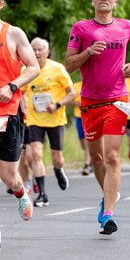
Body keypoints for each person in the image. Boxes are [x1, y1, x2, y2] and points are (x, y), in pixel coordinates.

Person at [64, 0, 130, 234]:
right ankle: (108, 196)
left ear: (114, 2)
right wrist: (88, 52)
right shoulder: (81, 28)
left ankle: (109, 213)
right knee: (97, 158)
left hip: (117, 100)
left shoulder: (126, 26)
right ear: (92, 1)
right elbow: (68, 64)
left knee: (112, 156)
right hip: (89, 101)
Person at [0, 0, 39, 220]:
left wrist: (12, 86)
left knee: (8, 176)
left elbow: (33, 67)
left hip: (8, 112)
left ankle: (20, 190)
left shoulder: (13, 33)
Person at [23, 37, 75, 207]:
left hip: (55, 118)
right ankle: (43, 193)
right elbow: (21, 92)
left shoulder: (57, 69)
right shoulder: (27, 69)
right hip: (34, 119)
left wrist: (58, 104)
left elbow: (71, 93)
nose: (37, 53)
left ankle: (59, 170)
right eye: (34, 49)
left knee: (57, 158)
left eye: (40, 50)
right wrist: (22, 108)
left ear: (47, 52)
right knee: (35, 154)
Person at [70, 80, 92, 176]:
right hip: (79, 116)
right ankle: (91, 159)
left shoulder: (93, 84)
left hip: (90, 116)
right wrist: (77, 103)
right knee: (83, 143)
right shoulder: (75, 86)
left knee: (88, 141)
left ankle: (86, 165)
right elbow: (69, 100)